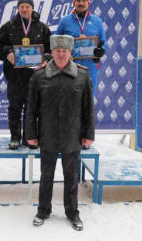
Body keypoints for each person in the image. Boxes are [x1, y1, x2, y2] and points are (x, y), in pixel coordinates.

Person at [25, 34, 95, 231]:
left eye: (64, 51)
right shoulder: (39, 76)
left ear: (70, 52)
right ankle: (43, 210)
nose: (61, 54)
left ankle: (72, 212)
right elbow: (31, 109)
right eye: (58, 51)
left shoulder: (82, 75)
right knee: (46, 175)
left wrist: (88, 134)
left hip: (72, 135)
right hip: (47, 134)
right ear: (52, 53)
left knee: (72, 177)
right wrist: (30, 134)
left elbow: (88, 108)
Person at [0, 0, 51, 150]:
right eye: (22, 6)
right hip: (14, 76)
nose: (25, 9)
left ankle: (30, 138)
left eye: (27, 6)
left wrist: (45, 58)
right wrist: (8, 53)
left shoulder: (42, 27)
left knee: (32, 108)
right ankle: (15, 137)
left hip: (35, 76)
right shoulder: (8, 27)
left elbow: (50, 48)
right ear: (18, 8)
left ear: (32, 8)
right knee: (14, 107)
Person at [55, 0, 107, 94]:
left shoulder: (97, 21)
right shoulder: (65, 21)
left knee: (88, 98)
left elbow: (103, 42)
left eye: (84, 0)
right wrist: (62, 55)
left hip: (90, 67)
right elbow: (56, 42)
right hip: (69, 65)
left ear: (88, 3)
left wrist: (101, 51)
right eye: (78, 0)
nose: (81, 3)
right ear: (74, 2)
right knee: (69, 97)